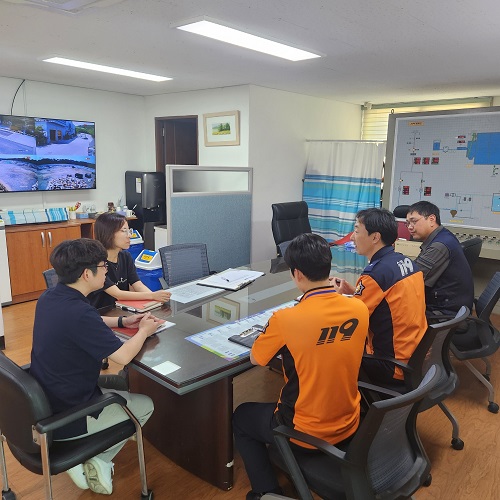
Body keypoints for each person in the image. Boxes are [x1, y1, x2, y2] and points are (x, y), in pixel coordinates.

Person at [233, 233, 369, 500]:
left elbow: (257, 359)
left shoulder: (286, 319)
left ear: (296, 273)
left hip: (304, 432)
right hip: (351, 421)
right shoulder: (359, 308)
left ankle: (265, 491)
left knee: (242, 417)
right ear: (328, 266)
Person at [30, 238, 162, 495]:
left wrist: (123, 321)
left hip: (50, 393)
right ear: (86, 274)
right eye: (103, 267)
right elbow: (123, 357)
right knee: (146, 405)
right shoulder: (80, 313)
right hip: (68, 415)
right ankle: (96, 458)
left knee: (122, 383)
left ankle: (93, 453)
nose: (107, 271)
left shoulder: (50, 297)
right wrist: (144, 330)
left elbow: (90, 320)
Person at [332, 208, 427, 386]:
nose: (352, 237)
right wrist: (353, 292)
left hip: (391, 364)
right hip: (415, 355)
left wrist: (335, 298)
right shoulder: (406, 262)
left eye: (356, 231)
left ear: (375, 237)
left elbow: (349, 322)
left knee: (330, 352)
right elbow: (386, 302)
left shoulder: (375, 274)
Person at [89, 212, 171, 309]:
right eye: (124, 231)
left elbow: (137, 284)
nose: (129, 235)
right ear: (108, 233)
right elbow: (118, 294)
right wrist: (152, 296)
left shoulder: (125, 256)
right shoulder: (97, 263)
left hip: (121, 308)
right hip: (102, 312)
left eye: (129, 230)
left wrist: (156, 300)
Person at [405, 201, 474, 315]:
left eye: (414, 221)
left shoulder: (439, 246)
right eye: (407, 223)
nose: (410, 227)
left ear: (432, 219)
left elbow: (412, 280)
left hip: (444, 313)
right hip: (450, 305)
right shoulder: (444, 235)